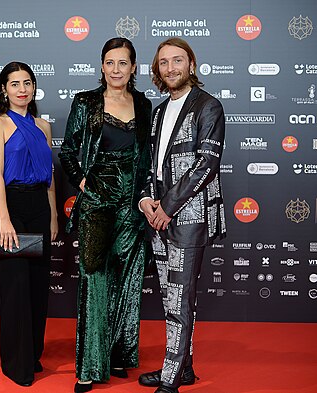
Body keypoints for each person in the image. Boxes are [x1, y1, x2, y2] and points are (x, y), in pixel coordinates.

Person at [59, 37, 152, 393]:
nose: (116, 69)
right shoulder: (87, 102)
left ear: (133, 68)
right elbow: (68, 150)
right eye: (110, 63)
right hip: (98, 204)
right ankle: (87, 367)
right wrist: (84, 183)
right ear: (101, 66)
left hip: (132, 207)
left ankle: (114, 354)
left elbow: (146, 158)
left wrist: (143, 198)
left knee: (126, 282)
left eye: (123, 63)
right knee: (94, 282)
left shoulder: (144, 106)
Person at [137, 37, 226, 393]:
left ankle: (171, 377)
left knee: (179, 297)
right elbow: (150, 164)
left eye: (178, 61)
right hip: (158, 216)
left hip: (189, 218)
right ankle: (182, 367)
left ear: (191, 64)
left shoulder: (208, 107)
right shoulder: (159, 112)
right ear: (157, 70)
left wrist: (168, 208)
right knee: (172, 297)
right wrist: (146, 200)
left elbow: (206, 164)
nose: (171, 68)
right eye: (164, 63)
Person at [0, 61, 58, 387]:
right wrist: (3, 219)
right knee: (15, 287)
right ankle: (16, 362)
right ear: (4, 89)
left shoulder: (43, 126)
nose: (22, 89)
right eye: (15, 83)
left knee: (38, 287)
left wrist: (54, 214)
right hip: (9, 206)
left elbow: (51, 177)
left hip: (39, 207)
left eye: (27, 82)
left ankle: (33, 353)